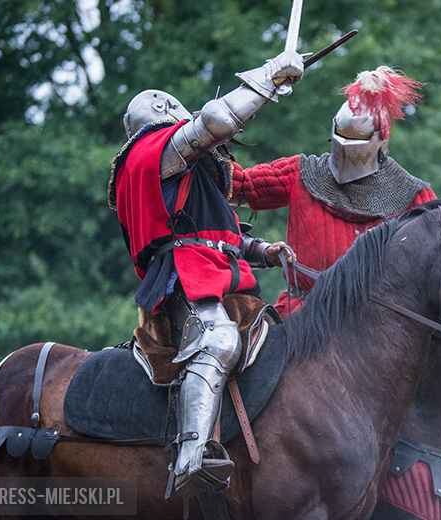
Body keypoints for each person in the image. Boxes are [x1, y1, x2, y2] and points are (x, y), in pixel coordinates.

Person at [107, 49, 302, 498]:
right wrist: (268, 77)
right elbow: (216, 121)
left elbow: (215, 235)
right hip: (183, 278)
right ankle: (192, 455)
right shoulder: (152, 155)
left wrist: (263, 251)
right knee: (218, 339)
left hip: (214, 271)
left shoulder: (188, 173)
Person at [231, 66, 437, 316]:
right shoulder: (302, 173)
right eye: (342, 132)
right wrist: (203, 136)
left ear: (381, 139)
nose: (346, 143)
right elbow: (237, 184)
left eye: (355, 135)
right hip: (301, 316)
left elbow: (438, 263)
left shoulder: (411, 195)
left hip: (376, 323)